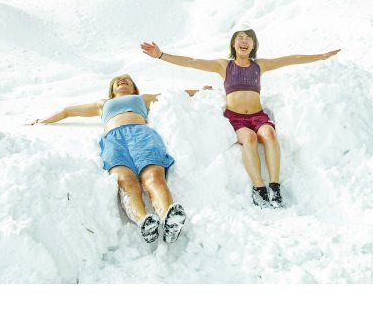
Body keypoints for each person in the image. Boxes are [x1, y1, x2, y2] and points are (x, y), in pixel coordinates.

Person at [141, 30, 339, 208]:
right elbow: (192, 62)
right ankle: (259, 188)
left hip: (258, 116)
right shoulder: (223, 65)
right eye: (240, 38)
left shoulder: (259, 65)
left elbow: (290, 59)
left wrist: (320, 57)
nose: (244, 41)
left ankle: (275, 186)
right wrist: (160, 55)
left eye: (248, 39)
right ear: (233, 45)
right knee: (250, 139)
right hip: (236, 119)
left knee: (269, 133)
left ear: (253, 46)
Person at [28, 74, 202, 244]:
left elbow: (174, 94)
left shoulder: (142, 98)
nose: (122, 80)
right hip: (113, 140)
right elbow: (68, 111)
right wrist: (42, 120)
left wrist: (200, 90)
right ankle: (144, 222)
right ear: (111, 90)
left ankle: (168, 218)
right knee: (126, 180)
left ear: (134, 87)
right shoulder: (102, 104)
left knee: (154, 176)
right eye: (117, 80)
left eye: (127, 79)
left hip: (141, 134)